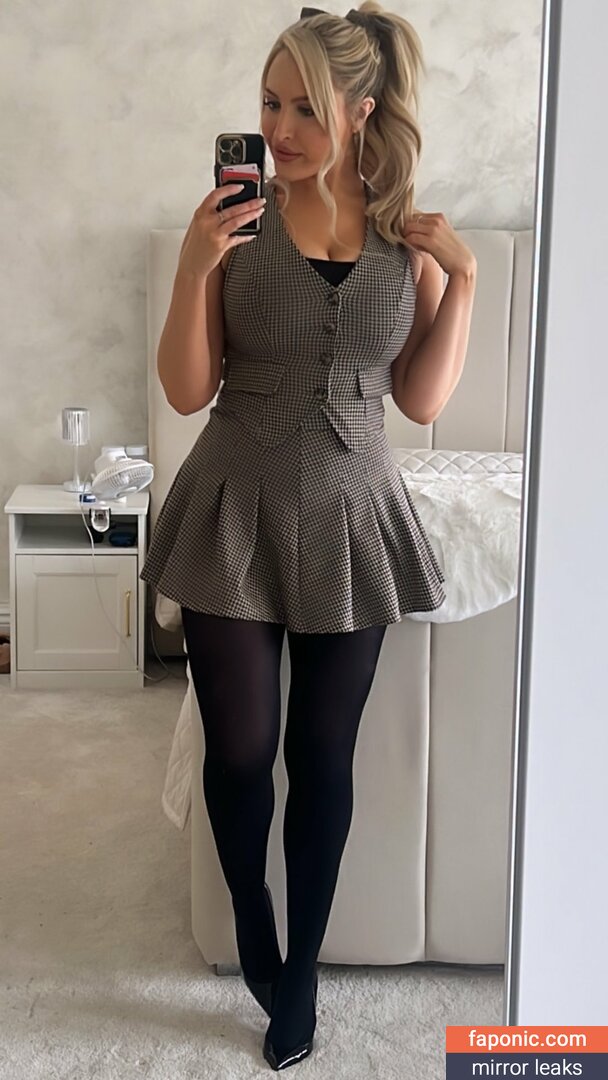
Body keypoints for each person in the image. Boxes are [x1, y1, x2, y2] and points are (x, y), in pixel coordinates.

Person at [140, 2, 477, 1070]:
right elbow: (186, 389)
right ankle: (252, 920)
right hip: (234, 505)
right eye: (268, 104)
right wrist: (194, 265)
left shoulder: (402, 234)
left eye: (303, 110)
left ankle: (301, 976)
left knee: (321, 757)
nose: (278, 130)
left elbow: (421, 399)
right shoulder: (234, 223)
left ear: (359, 112)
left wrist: (462, 279)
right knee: (241, 752)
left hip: (351, 514)